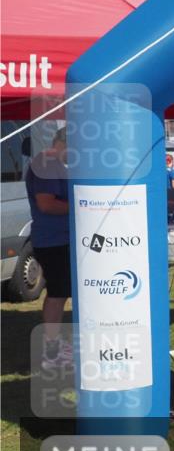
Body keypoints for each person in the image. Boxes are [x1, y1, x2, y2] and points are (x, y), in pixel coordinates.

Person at [25, 127, 73, 371]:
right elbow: (47, 204)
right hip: (53, 239)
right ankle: (51, 352)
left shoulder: (53, 163)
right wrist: (81, 204)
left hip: (60, 238)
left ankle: (55, 347)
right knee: (57, 293)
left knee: (60, 292)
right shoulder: (47, 161)